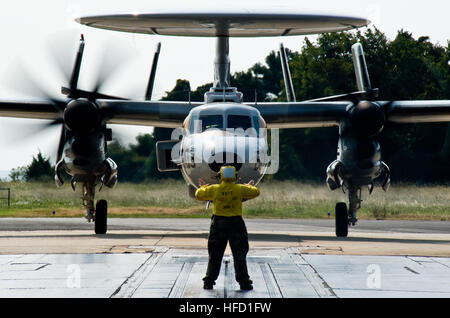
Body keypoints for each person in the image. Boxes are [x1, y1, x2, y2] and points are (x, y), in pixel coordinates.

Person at [195, 166, 260, 291]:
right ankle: (244, 282)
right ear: (235, 176)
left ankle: (209, 281)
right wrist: (249, 186)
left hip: (218, 223)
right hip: (236, 223)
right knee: (239, 254)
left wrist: (203, 187)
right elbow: (256, 192)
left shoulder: (214, 189)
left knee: (215, 254)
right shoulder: (240, 189)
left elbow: (198, 194)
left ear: (220, 176)